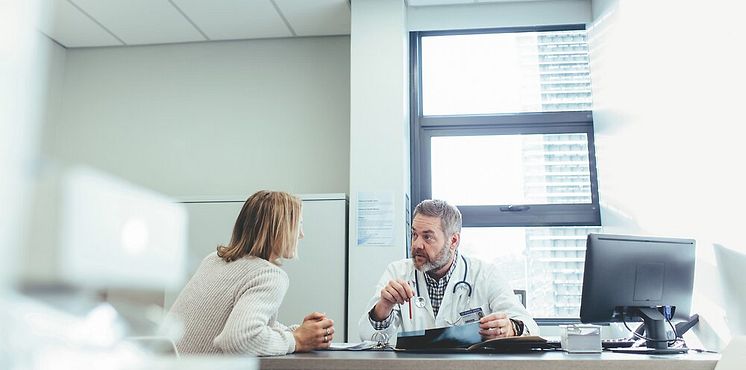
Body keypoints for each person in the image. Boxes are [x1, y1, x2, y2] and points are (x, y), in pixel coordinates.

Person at [167, 190, 335, 356]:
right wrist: (297, 340)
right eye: (298, 225)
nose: (301, 235)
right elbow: (238, 340)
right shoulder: (268, 275)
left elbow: (230, 323)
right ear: (278, 228)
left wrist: (299, 332)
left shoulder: (214, 260)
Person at [358, 199, 539, 343]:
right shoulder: (397, 272)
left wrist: (510, 328)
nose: (416, 245)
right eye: (414, 234)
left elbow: (530, 326)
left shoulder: (485, 274)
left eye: (427, 237)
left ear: (453, 241)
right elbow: (367, 337)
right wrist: (384, 306)